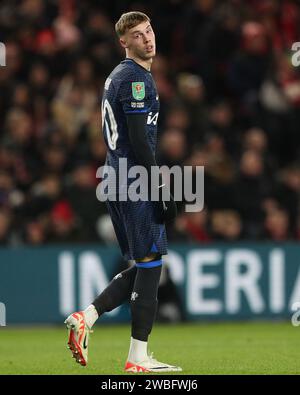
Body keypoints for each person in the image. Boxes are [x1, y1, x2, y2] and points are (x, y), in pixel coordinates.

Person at [64, 11, 181, 373]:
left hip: (116, 178)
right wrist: (160, 184)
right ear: (124, 43)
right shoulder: (135, 79)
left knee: (148, 264)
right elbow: (139, 143)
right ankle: (136, 359)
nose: (147, 39)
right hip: (132, 179)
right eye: (137, 35)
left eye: (148, 31)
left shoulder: (121, 75)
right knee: (151, 264)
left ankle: (89, 317)